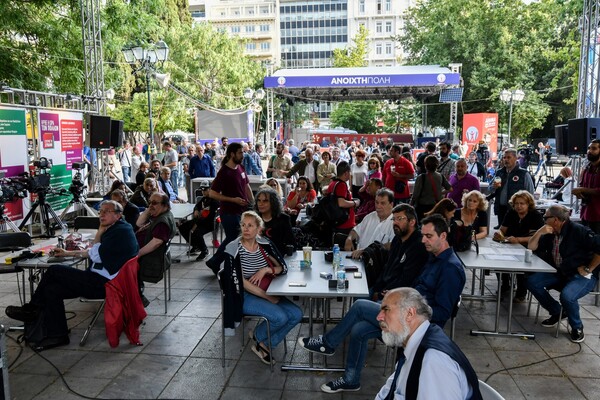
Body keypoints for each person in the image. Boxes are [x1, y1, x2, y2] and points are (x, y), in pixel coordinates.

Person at [297, 212, 465, 394]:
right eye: (423, 235)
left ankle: (328, 343)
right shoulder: (433, 257)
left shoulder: (450, 268)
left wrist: (410, 312)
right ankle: (351, 380)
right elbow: (417, 289)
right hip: (404, 317)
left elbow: (443, 313)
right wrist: (398, 297)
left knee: (360, 305)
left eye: (428, 236)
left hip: (416, 328)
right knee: (359, 329)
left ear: (443, 236)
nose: (423, 240)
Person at [5, 201, 139, 350]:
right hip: (102, 279)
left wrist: (100, 232)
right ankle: (58, 335)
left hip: (105, 285)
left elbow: (95, 255)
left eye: (106, 211)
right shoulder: (118, 228)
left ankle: (32, 309)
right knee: (51, 290)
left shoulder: (120, 231)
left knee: (54, 270)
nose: (101, 214)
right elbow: (94, 253)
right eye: (100, 211)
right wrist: (69, 253)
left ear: (118, 215)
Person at [222, 211, 302, 365]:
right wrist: (267, 296)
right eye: (243, 225)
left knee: (297, 314)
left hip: (267, 289)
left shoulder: (264, 244)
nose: (246, 229)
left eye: (250, 225)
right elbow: (239, 281)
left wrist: (265, 270)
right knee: (281, 317)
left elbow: (281, 268)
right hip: (244, 295)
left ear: (259, 229)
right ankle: (261, 340)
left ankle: (262, 341)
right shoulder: (234, 248)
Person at [375, 288, 482, 400]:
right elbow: (391, 390)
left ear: (409, 314)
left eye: (386, 309)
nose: (379, 317)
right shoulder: (415, 342)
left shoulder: (433, 362)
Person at [527, 205, 600, 343]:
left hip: (581, 275)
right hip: (561, 271)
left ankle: (577, 327)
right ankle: (558, 311)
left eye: (545, 218)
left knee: (567, 296)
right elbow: (531, 247)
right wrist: (539, 232)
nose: (543, 220)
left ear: (555, 219)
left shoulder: (578, 230)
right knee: (532, 282)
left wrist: (589, 268)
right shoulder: (549, 232)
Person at [205, 142, 254, 275]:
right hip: (229, 212)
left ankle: (216, 262)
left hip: (242, 211)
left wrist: (253, 202)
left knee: (235, 238)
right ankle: (219, 263)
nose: (242, 155)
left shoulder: (241, 168)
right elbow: (212, 193)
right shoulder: (224, 172)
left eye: (242, 152)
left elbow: (246, 186)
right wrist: (233, 200)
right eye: (240, 153)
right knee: (234, 238)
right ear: (232, 154)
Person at [493, 190, 544, 302]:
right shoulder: (511, 213)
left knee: (522, 264)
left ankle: (521, 291)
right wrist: (499, 234)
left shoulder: (535, 216)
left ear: (528, 204)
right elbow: (502, 229)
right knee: (497, 260)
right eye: (516, 203)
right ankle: (505, 284)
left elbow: (535, 237)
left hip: (529, 247)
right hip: (510, 244)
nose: (519, 206)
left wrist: (518, 240)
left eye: (522, 204)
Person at [371, 204, 429, 300]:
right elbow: (387, 266)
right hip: (384, 289)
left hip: (400, 298)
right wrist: (377, 288)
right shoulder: (397, 239)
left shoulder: (419, 245)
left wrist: (381, 294)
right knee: (360, 294)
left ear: (412, 222)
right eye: (393, 219)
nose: (395, 223)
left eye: (399, 219)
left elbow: (406, 279)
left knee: (359, 307)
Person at [135, 192, 177, 306]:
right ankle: (136, 291)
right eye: (149, 203)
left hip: (152, 259)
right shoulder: (159, 215)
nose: (150, 205)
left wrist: (137, 255)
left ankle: (137, 296)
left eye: (154, 203)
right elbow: (139, 223)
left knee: (119, 264)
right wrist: (150, 209)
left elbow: (156, 243)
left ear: (165, 206)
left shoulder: (163, 221)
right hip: (148, 254)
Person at [344, 188, 395, 259]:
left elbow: (392, 245)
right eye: (376, 202)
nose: (378, 206)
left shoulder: (395, 222)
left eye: (382, 203)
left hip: (377, 264)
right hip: (358, 258)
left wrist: (366, 251)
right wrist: (349, 239)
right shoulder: (370, 217)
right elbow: (356, 230)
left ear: (391, 204)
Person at [491, 148, 534, 229]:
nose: (506, 160)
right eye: (504, 158)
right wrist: (493, 187)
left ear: (515, 158)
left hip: (515, 210)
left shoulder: (523, 173)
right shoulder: (499, 172)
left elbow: (530, 192)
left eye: (508, 157)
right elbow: (490, 188)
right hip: (501, 209)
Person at [177, 181, 219, 261]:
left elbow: (210, 217)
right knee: (182, 227)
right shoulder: (204, 198)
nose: (203, 192)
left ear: (210, 189)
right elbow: (197, 206)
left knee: (196, 232)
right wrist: (196, 210)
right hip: (200, 221)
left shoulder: (215, 200)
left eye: (205, 190)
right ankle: (196, 246)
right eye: (202, 190)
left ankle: (204, 250)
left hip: (210, 223)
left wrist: (195, 224)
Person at [254, 187, 295, 255]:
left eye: (265, 201)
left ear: (273, 203)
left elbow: (291, 244)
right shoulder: (253, 218)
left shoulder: (283, 219)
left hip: (278, 258)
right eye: (259, 200)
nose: (260, 204)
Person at [410, 155, 451, 220]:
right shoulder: (440, 176)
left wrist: (410, 204)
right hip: (436, 206)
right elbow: (450, 189)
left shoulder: (421, 177)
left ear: (425, 165)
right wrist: (440, 192)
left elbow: (415, 195)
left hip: (422, 207)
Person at [572, 139, 600, 233]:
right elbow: (582, 185)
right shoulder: (587, 168)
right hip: (586, 213)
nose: (589, 151)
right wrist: (579, 192)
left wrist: (582, 189)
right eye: (589, 148)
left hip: (598, 215)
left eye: (594, 148)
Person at [328, 161, 358, 236]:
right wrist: (355, 203)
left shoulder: (333, 183)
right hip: (344, 223)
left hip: (336, 221)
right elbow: (341, 203)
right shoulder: (341, 185)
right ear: (346, 173)